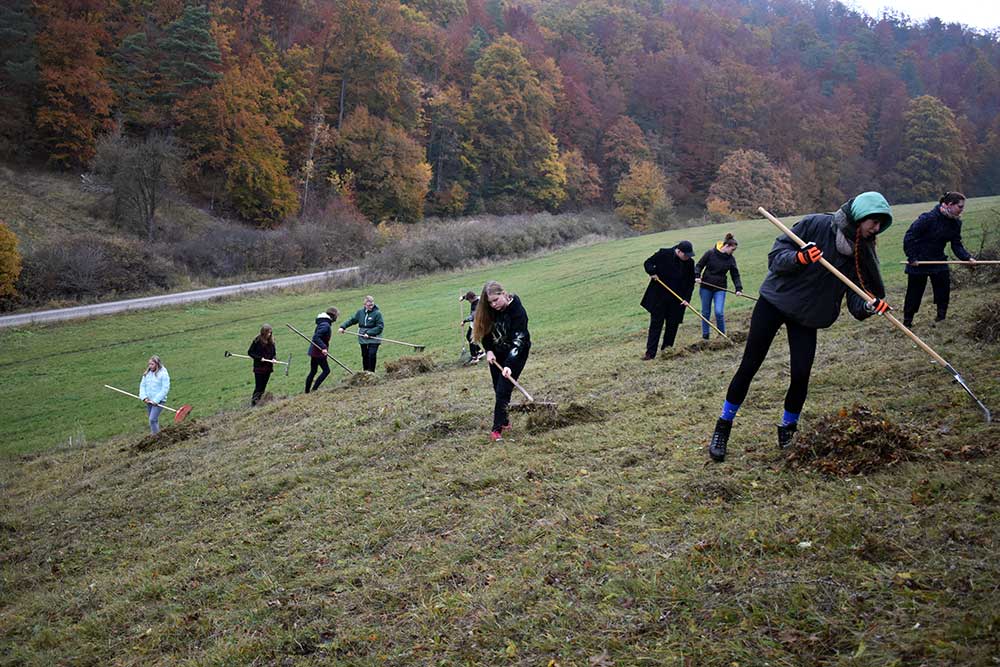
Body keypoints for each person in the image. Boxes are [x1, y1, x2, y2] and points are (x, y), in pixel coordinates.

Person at [707, 192, 893, 462]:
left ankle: (788, 431)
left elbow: (856, 296)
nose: (876, 229)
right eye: (873, 222)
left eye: (880, 225)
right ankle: (723, 426)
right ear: (860, 216)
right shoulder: (816, 225)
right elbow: (776, 257)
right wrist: (800, 258)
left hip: (809, 314)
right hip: (775, 302)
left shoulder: (860, 252)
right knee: (750, 365)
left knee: (801, 374)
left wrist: (868, 305)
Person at [902, 191, 976, 327]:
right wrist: (912, 258)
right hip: (919, 261)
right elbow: (909, 237)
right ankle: (907, 322)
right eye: (960, 207)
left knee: (943, 290)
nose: (962, 210)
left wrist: (967, 258)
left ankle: (941, 319)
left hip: (938, 260)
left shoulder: (955, 224)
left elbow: (956, 245)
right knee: (914, 293)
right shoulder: (928, 218)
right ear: (949, 204)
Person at [472, 280, 531, 442]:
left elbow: (519, 340)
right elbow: (485, 332)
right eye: (489, 302)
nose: (493, 305)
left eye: (496, 300)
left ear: (504, 294)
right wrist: (489, 350)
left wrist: (509, 366)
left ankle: (496, 429)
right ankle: (504, 422)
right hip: (497, 353)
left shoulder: (517, 311)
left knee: (503, 389)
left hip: (517, 352)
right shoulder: (489, 311)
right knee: (498, 387)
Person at [639, 240, 696, 359]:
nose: (687, 258)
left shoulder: (690, 263)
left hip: (677, 299)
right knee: (656, 325)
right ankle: (650, 353)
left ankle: (667, 351)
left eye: (689, 255)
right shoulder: (664, 254)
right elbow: (648, 263)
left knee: (672, 325)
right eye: (685, 255)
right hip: (659, 297)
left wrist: (686, 299)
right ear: (678, 251)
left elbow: (690, 283)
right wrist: (652, 272)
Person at [695, 233, 744, 340]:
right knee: (705, 312)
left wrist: (738, 288)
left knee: (719, 312)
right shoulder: (710, 253)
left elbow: (735, 274)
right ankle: (705, 336)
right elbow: (699, 265)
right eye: (732, 249)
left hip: (720, 288)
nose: (733, 252)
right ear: (726, 246)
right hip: (706, 287)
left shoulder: (731, 259)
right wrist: (697, 276)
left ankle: (721, 335)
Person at [340, 296, 384, 372]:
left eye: (372, 305)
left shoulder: (377, 313)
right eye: (369, 305)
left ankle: (371, 372)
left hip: (374, 337)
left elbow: (380, 327)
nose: (371, 307)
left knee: (372, 354)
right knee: (365, 355)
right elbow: (352, 320)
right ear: (364, 305)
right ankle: (365, 372)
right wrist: (343, 327)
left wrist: (369, 333)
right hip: (362, 337)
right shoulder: (360, 312)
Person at [305, 308, 338, 393]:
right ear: (333, 316)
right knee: (326, 371)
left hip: (315, 351)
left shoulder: (323, 322)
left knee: (313, 371)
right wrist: (323, 347)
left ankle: (307, 392)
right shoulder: (325, 325)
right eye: (336, 316)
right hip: (318, 351)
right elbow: (316, 337)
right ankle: (314, 389)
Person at [138, 355, 170, 434]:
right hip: (149, 400)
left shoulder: (163, 374)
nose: (150, 366)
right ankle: (156, 434)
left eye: (152, 364)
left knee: (152, 419)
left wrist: (156, 400)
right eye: (149, 364)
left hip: (159, 401)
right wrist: (144, 397)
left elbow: (165, 389)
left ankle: (155, 437)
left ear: (157, 364)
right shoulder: (147, 374)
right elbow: (142, 386)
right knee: (153, 420)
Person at [247, 324, 276, 406]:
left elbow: (274, 353)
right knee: (258, 387)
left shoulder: (271, 342)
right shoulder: (257, 341)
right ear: (263, 333)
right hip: (259, 368)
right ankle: (253, 404)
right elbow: (250, 352)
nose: (269, 334)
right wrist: (259, 358)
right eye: (268, 333)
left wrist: (274, 358)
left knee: (263, 387)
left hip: (268, 368)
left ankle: (259, 402)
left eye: (270, 333)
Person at [460, 290, 484, 362]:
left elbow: (473, 316)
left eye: (468, 300)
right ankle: (480, 351)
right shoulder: (478, 298)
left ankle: (474, 357)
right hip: (473, 324)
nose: (468, 301)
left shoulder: (476, 305)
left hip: (477, 323)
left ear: (471, 299)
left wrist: (464, 321)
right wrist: (463, 297)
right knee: (468, 336)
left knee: (471, 339)